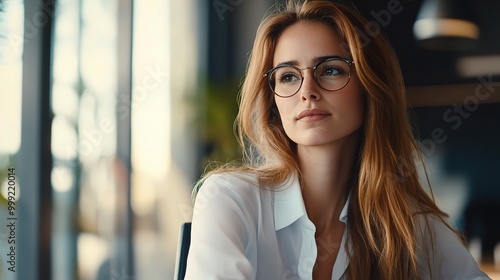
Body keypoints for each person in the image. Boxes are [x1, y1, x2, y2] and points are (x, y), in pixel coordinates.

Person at [184, 0, 491, 279]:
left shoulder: (410, 228)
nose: (307, 91)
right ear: (272, 101)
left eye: (330, 70)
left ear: (370, 89)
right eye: (288, 76)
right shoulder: (230, 199)